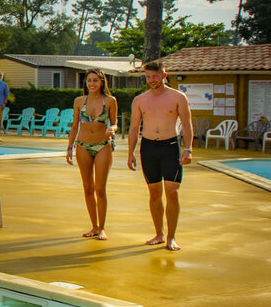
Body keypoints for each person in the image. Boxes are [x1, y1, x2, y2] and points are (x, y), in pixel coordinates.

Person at [127, 60, 194, 251]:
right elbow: (134, 128)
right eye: (148, 77)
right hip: (148, 147)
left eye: (155, 76)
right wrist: (130, 153)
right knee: (154, 193)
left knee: (172, 192)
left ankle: (171, 237)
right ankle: (159, 234)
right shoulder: (140, 100)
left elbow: (187, 125)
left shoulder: (178, 97)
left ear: (164, 75)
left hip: (170, 146)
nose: (151, 80)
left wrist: (188, 149)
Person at [65, 69, 118, 240]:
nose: (92, 84)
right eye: (89, 80)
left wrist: (112, 129)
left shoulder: (110, 101)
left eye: (95, 80)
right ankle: (94, 227)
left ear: (102, 82)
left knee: (100, 189)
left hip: (103, 145)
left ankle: (102, 228)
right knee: (87, 188)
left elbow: (115, 123)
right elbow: (75, 126)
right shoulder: (79, 101)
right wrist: (69, 147)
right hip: (83, 146)